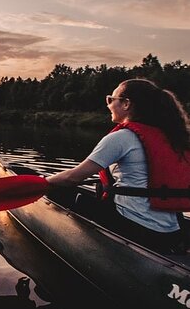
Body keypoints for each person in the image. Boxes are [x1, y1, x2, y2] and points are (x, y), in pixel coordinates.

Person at [46, 78, 190, 254]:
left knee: (65, 193)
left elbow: (73, 177)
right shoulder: (174, 138)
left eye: (110, 99)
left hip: (138, 230)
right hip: (173, 231)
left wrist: (45, 181)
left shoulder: (121, 138)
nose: (108, 105)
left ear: (126, 104)